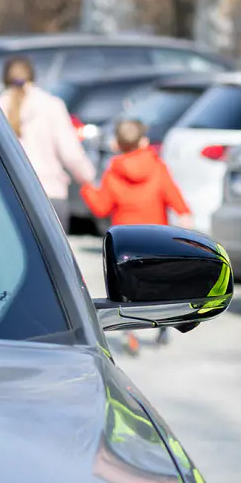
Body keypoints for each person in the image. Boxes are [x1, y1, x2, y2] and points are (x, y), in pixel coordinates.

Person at [79, 117, 192, 355]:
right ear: (143, 141)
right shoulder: (157, 167)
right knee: (158, 282)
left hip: (125, 244)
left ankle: (130, 333)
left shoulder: (113, 173)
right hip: (157, 239)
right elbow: (173, 195)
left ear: (117, 145)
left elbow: (101, 207)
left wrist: (86, 187)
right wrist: (184, 214)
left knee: (128, 289)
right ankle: (164, 324)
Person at [0, 56, 95, 231]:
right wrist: (87, 177)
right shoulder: (51, 105)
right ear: (33, 75)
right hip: (51, 193)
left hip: (10, 195)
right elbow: (70, 153)